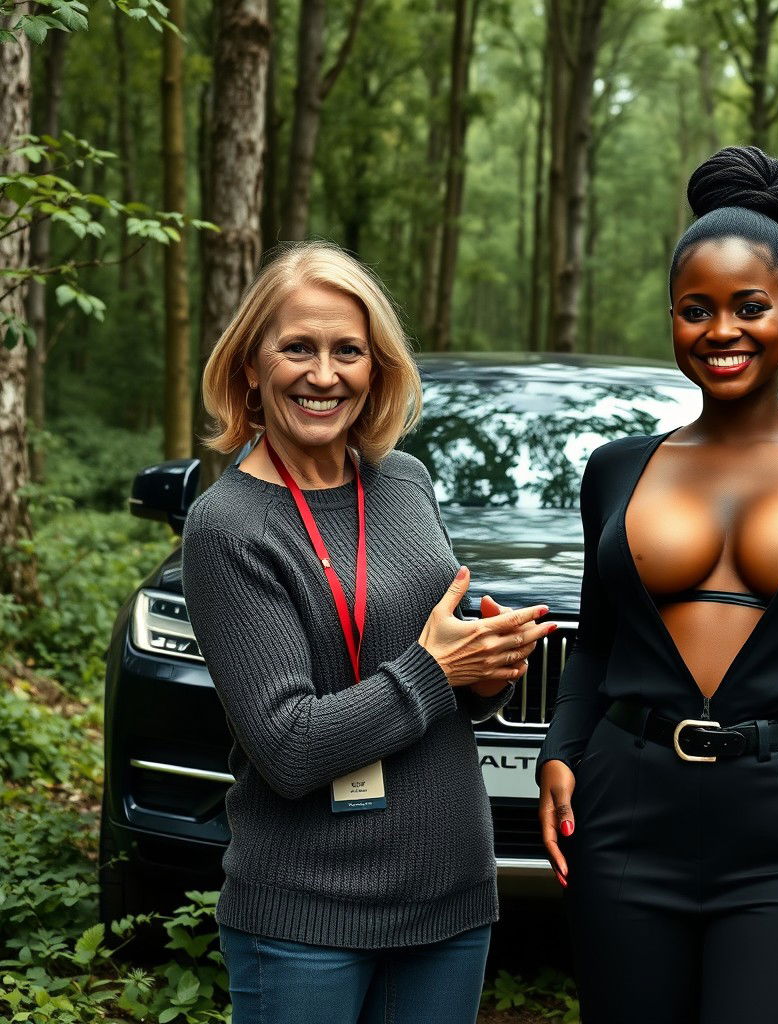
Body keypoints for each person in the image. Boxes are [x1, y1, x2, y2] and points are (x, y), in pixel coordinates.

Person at [537, 146, 778, 1024]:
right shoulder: (616, 471)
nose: (723, 331)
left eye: (750, 307)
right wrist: (559, 748)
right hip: (627, 814)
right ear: (672, 318)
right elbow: (596, 643)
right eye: (696, 310)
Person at [180, 241, 556, 1024]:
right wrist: (434, 669)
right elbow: (287, 747)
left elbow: (440, 676)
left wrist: (486, 674)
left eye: (348, 350)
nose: (324, 374)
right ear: (251, 365)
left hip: (450, 894)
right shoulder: (229, 525)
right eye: (297, 348)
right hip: (307, 913)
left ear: (375, 367)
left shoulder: (405, 481)